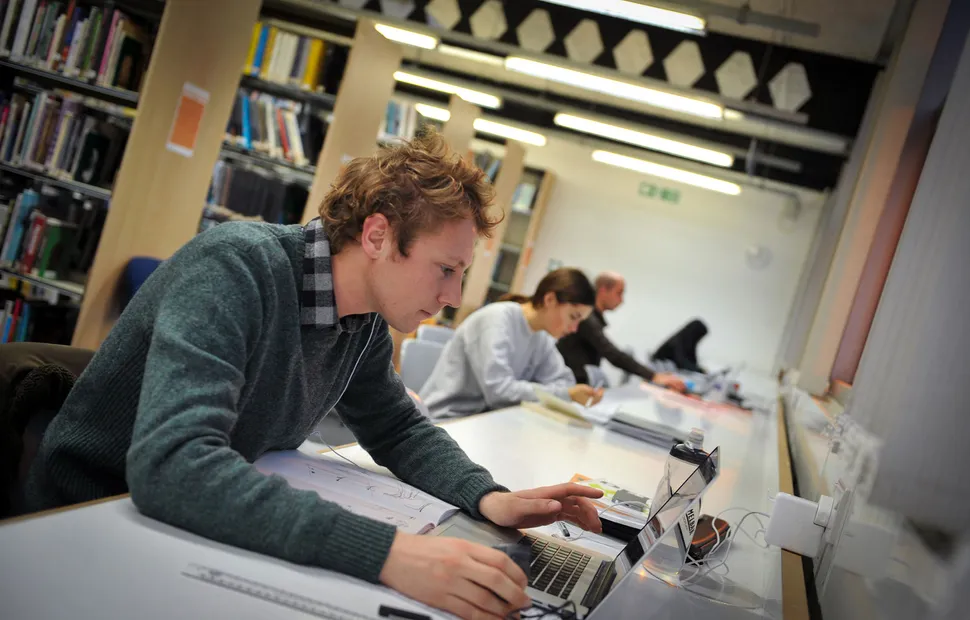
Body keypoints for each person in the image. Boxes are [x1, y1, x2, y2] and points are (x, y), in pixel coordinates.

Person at [25, 133, 603, 620]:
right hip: (87, 521)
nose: (453, 298)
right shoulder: (235, 268)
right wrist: (388, 554)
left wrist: (489, 497)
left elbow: (397, 426)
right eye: (445, 270)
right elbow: (173, 464)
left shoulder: (364, 320)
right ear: (377, 235)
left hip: (194, 516)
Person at [420, 268, 604, 419]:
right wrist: (565, 394)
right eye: (573, 317)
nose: (574, 328)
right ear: (550, 300)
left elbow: (565, 382)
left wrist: (565, 392)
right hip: (448, 420)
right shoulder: (498, 320)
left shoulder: (541, 337)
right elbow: (499, 392)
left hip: (486, 420)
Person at [557, 272, 686, 391]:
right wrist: (653, 376)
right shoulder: (587, 319)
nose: (622, 300)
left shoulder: (592, 319)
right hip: (569, 383)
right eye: (619, 293)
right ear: (603, 290)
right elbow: (612, 354)